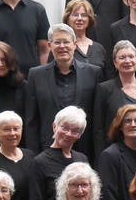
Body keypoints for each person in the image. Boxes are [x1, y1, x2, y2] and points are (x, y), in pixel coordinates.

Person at [25, 24, 103, 156]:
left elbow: (98, 119)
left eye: (66, 42)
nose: (62, 46)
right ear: (50, 46)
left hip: (84, 150)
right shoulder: (36, 75)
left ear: (74, 44)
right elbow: (31, 121)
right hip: (47, 150)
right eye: (57, 42)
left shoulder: (93, 73)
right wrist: (34, 155)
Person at [28, 106, 90, 200]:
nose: (68, 134)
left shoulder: (82, 159)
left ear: (80, 135)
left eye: (75, 131)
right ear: (54, 127)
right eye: (64, 128)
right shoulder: (40, 162)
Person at [93, 41, 136, 156]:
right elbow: (98, 129)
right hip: (115, 154)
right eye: (122, 57)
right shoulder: (104, 89)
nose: (127, 61)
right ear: (115, 63)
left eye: (131, 56)